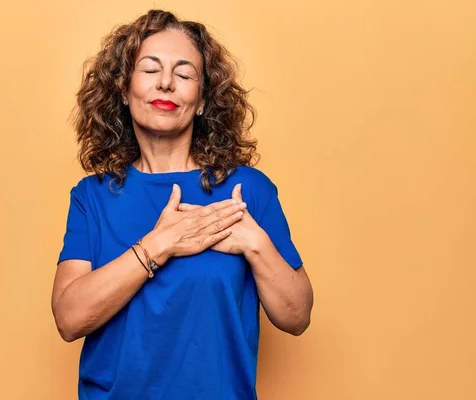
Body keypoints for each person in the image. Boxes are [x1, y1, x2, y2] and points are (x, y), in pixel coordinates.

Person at [52, 9, 314, 400]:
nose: (166, 83)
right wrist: (160, 244)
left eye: (185, 73)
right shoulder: (92, 196)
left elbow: (297, 317)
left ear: (204, 100)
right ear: (123, 90)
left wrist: (255, 244)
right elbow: (69, 319)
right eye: (150, 69)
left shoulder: (247, 191)